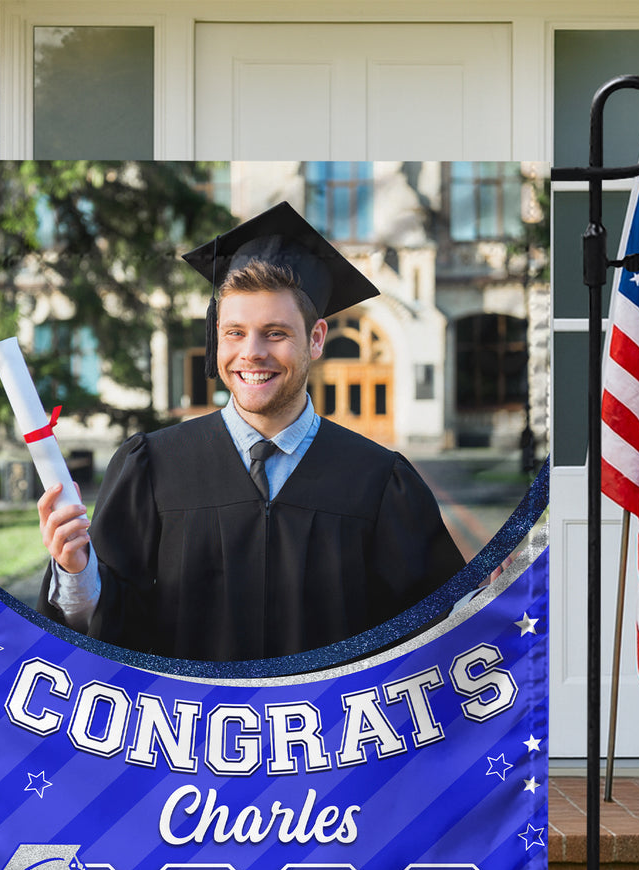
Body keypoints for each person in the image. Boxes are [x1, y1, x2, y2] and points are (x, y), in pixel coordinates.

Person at [36, 201, 463, 662]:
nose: (251, 352)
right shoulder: (153, 467)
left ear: (316, 339)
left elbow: (434, 634)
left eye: (275, 333)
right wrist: (76, 574)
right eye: (235, 332)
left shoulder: (378, 480)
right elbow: (112, 632)